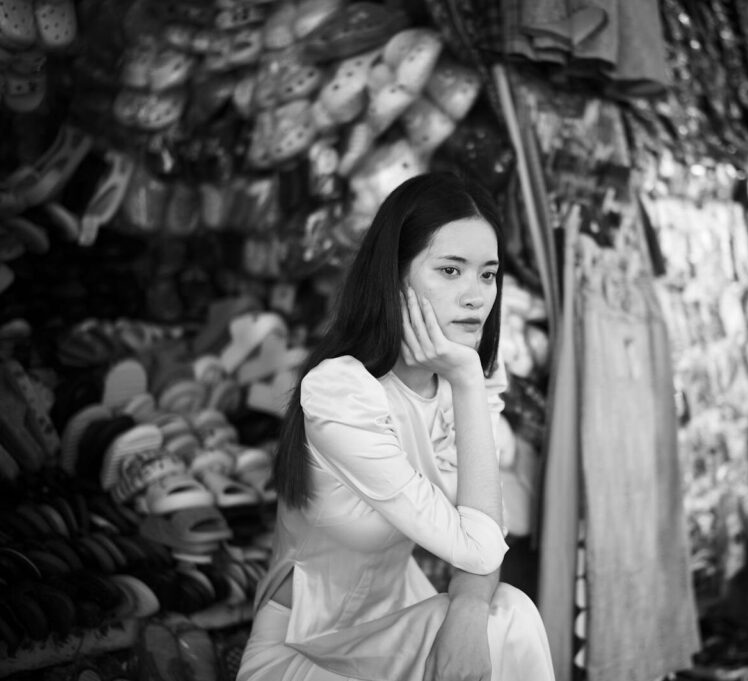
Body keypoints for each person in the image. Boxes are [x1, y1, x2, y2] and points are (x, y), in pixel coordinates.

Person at [238, 172, 555, 681]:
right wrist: (467, 383)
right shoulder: (342, 393)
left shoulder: (465, 385)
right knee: (507, 617)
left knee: (506, 613)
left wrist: (468, 384)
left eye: (488, 275)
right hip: (306, 651)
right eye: (450, 271)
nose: (476, 296)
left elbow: (486, 542)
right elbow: (478, 547)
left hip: (395, 630)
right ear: (394, 276)